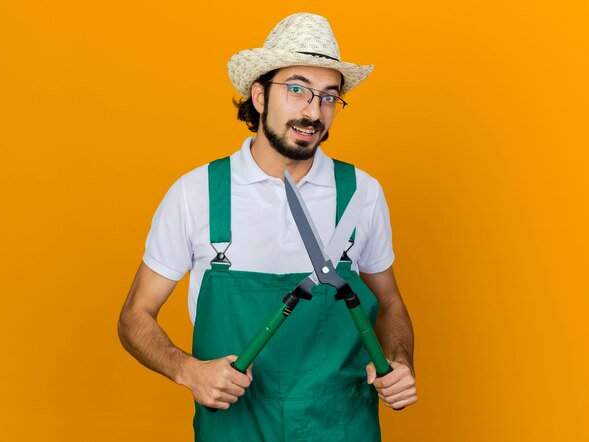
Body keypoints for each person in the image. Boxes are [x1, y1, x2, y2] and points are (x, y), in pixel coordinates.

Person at [118, 12, 417, 441]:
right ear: (259, 95)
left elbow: (390, 304)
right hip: (235, 426)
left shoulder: (361, 194)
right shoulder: (197, 193)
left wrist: (400, 362)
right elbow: (134, 316)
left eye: (329, 97)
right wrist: (188, 371)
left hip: (341, 425)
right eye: (297, 89)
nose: (313, 112)